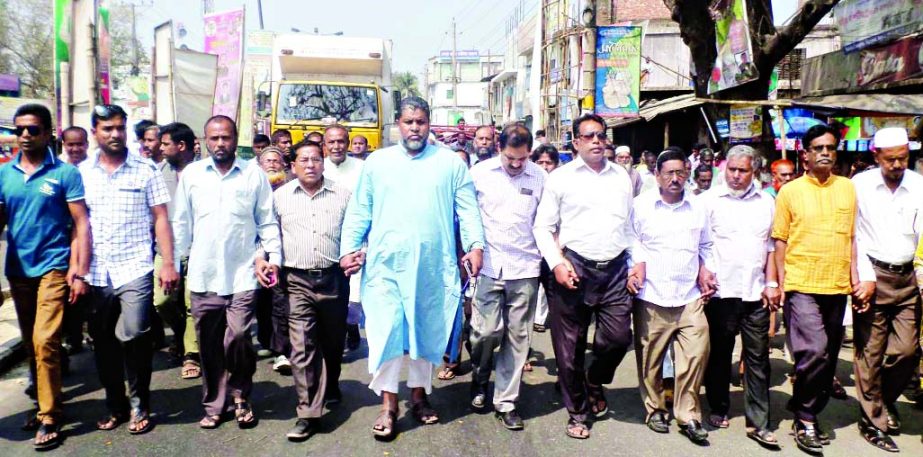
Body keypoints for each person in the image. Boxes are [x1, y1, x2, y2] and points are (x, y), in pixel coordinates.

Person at [339, 96, 484, 439]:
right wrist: (349, 248)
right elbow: (360, 210)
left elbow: (468, 210)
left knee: (427, 330)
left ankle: (419, 397)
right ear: (398, 125)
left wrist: (476, 246)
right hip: (386, 266)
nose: (414, 127)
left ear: (429, 123)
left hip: (433, 266)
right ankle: (388, 405)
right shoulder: (377, 163)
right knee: (386, 332)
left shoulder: (450, 164)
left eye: (420, 121)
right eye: (408, 122)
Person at [172, 115, 282, 430]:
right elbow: (182, 222)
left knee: (237, 338)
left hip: (243, 274)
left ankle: (241, 395)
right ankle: (214, 404)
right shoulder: (192, 175)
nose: (220, 144)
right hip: (204, 274)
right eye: (214, 138)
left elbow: (266, 220)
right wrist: (178, 264)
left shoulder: (253, 174)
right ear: (204, 141)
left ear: (236, 139)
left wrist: (273, 257)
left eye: (226, 138)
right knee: (208, 344)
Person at [533, 113, 634, 440]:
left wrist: (636, 262)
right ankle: (577, 411)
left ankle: (595, 379)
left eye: (600, 136)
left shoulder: (621, 176)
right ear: (575, 142)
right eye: (588, 136)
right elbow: (543, 227)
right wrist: (557, 264)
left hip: (616, 270)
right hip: (574, 268)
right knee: (569, 349)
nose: (595, 141)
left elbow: (630, 226)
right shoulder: (560, 179)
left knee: (618, 338)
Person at [81, 104, 179, 436]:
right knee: (103, 343)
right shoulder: (80, 172)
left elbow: (161, 218)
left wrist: (167, 262)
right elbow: (77, 226)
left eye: (120, 128)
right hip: (96, 272)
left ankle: (141, 403)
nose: (115, 134)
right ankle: (116, 405)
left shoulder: (145, 169)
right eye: (107, 128)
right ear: (95, 131)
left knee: (135, 333)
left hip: (134, 267)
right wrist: (76, 271)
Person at [0, 104, 90, 450]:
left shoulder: (65, 174)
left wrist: (78, 269)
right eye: (19, 129)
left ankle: (50, 415)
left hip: (54, 267)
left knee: (44, 341)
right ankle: (42, 404)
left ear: (49, 133)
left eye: (33, 130)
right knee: (29, 344)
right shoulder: (6, 175)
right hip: (18, 272)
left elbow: (80, 223)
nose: (24, 136)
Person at [772, 124, 863, 454]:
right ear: (805, 155)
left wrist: (855, 278)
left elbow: (852, 238)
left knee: (828, 358)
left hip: (837, 285)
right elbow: (780, 239)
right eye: (818, 148)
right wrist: (781, 284)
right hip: (801, 283)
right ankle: (807, 418)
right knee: (815, 350)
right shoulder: (790, 192)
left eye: (830, 147)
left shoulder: (848, 189)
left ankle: (802, 405)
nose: (825, 152)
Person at [629, 148, 716, 445]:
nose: (676, 179)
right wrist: (637, 265)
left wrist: (707, 270)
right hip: (652, 294)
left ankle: (688, 415)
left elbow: (707, 244)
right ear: (657, 175)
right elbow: (631, 241)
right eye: (669, 173)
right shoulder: (640, 206)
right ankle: (654, 409)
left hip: (689, 296)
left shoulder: (698, 207)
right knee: (650, 361)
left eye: (681, 173)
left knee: (695, 355)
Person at [699, 145, 780, 448]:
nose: (735, 176)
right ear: (724, 169)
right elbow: (698, 245)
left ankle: (759, 421)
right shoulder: (707, 202)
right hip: (721, 292)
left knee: (758, 357)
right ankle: (719, 406)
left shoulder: (766, 204)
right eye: (731, 170)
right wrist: (703, 274)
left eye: (743, 170)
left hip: (755, 292)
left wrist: (772, 282)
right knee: (720, 354)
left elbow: (771, 246)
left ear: (754, 172)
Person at [851, 127, 923, 452]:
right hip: (873, 276)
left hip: (908, 277)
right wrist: (862, 278)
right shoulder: (860, 186)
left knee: (907, 351)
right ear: (876, 156)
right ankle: (873, 420)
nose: (897, 165)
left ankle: (882, 399)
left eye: (903, 158)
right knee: (871, 353)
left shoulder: (919, 185)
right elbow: (855, 236)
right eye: (891, 159)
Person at [468, 124, 544, 430]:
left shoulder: (540, 176)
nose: (515, 165)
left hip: (526, 268)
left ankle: (506, 400)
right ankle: (480, 375)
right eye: (510, 158)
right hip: (489, 266)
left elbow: (547, 220)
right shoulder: (479, 173)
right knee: (484, 333)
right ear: (499, 148)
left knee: (518, 337)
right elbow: (468, 216)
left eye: (522, 159)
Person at [276, 140, 352, 441]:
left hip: (334, 279)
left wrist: (357, 253)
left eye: (316, 159)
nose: (310, 165)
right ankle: (308, 413)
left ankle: (331, 382)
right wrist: (265, 259)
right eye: (303, 160)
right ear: (292, 165)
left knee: (333, 342)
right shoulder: (280, 198)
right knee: (302, 345)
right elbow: (266, 234)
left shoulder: (343, 195)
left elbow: (358, 232)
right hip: (296, 281)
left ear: (324, 162)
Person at [155, 122, 201, 380]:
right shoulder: (157, 173)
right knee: (162, 301)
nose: (160, 148)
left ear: (180, 146)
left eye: (165, 144)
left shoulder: (204, 173)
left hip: (198, 250)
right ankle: (183, 333)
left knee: (192, 303)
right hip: (165, 251)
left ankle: (191, 354)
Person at [323, 125, 365, 352]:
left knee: (354, 291)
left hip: (357, 237)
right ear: (325, 145)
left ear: (347, 144)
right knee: (333, 291)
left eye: (341, 141)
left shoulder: (362, 168)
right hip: (326, 236)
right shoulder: (318, 168)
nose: (336, 146)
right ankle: (337, 334)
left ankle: (351, 325)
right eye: (332, 142)